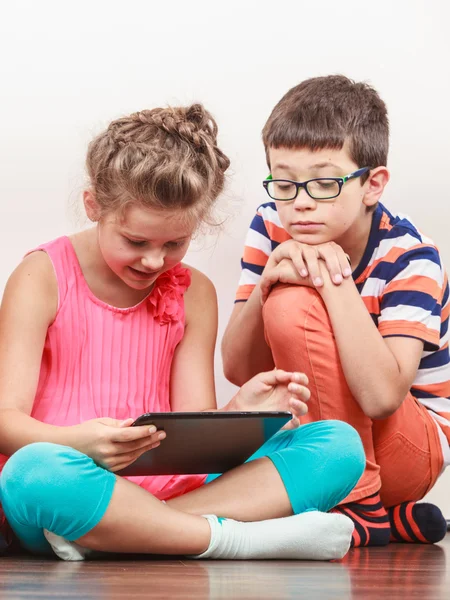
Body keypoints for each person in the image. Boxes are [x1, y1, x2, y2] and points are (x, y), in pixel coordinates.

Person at [0, 104, 365, 561]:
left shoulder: (195, 293)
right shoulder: (42, 275)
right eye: (136, 241)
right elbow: (5, 422)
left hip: (171, 489)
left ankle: (130, 531)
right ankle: (234, 540)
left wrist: (237, 414)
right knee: (31, 472)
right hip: (69, 472)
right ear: (94, 205)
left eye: (174, 244)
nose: (154, 261)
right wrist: (82, 442)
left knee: (337, 447)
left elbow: (190, 440)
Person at [222, 75, 450, 547]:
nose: (301, 202)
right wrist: (267, 281)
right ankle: (390, 520)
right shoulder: (271, 222)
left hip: (409, 446)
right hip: (314, 430)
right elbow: (238, 368)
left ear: (373, 184)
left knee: (295, 303)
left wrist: (333, 277)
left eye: (325, 182)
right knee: (280, 301)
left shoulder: (412, 257)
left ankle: (360, 504)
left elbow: (383, 396)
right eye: (284, 182)